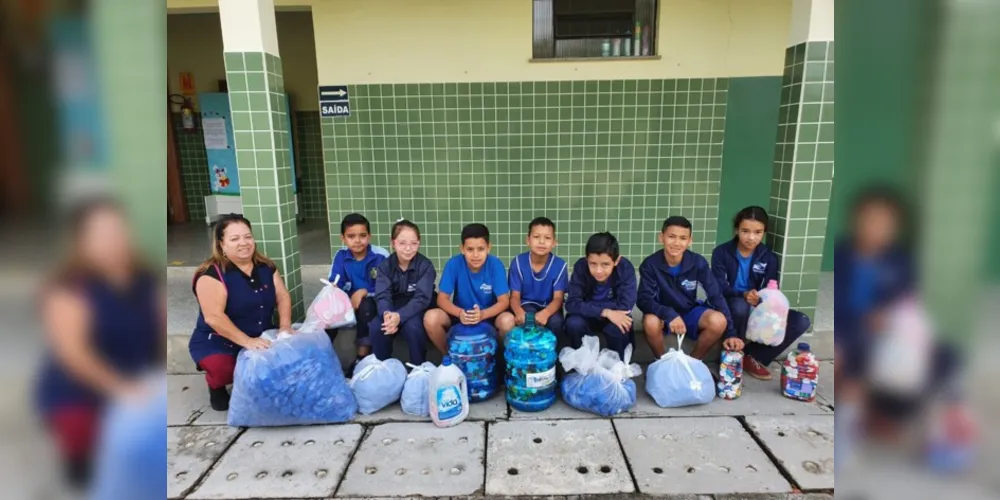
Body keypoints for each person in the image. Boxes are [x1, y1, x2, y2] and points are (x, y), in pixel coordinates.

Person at [34, 198, 164, 490]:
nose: (113, 241)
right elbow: (74, 355)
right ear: (81, 242)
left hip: (138, 380)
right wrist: (124, 391)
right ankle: (81, 463)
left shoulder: (144, 279)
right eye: (101, 234)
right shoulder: (68, 288)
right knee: (95, 471)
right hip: (82, 391)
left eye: (118, 231)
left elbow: (159, 331)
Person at [188, 213, 293, 411]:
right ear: (221, 244)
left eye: (247, 236)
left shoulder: (266, 267)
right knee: (225, 370)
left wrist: (285, 327)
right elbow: (214, 317)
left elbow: (283, 296)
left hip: (260, 334)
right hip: (220, 340)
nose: (243, 243)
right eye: (234, 238)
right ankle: (216, 385)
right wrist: (247, 342)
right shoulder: (210, 274)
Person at [710, 206, 812, 379]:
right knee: (740, 305)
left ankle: (754, 356)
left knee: (801, 321)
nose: (751, 237)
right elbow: (718, 287)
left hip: (756, 305)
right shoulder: (721, 253)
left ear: (764, 232)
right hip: (728, 304)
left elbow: (771, 288)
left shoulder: (768, 257)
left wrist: (764, 301)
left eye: (758, 232)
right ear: (736, 230)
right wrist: (743, 295)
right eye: (745, 231)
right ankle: (734, 353)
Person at [638, 216, 738, 359]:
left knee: (718, 320)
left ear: (690, 241)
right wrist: (669, 314)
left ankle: (693, 362)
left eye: (683, 238)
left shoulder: (697, 262)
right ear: (661, 237)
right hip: (662, 314)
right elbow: (643, 299)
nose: (677, 243)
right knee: (650, 321)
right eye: (671, 236)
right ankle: (661, 362)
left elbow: (715, 295)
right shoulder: (650, 264)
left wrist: (731, 332)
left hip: (689, 312)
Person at [424, 223, 510, 354]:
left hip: (490, 316)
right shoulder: (454, 264)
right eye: (470, 249)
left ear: (489, 248)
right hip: (460, 317)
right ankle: (452, 358)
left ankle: (496, 360)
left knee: (507, 321)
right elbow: (442, 299)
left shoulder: (495, 265)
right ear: (462, 249)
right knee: (431, 318)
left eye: (481, 249)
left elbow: (504, 301)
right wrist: (460, 313)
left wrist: (483, 315)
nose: (475, 255)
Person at [326, 213, 389, 372]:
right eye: (351, 236)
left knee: (366, 306)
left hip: (373, 301)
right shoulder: (341, 256)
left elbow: (386, 287)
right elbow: (335, 282)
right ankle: (324, 354)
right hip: (349, 302)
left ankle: (362, 356)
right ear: (343, 238)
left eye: (362, 235)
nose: (357, 240)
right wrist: (335, 294)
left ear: (369, 236)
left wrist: (364, 291)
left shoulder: (380, 256)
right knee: (327, 308)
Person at [369, 219, 436, 364]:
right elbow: (382, 294)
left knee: (413, 327)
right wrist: (387, 314)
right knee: (378, 327)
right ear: (393, 243)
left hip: (417, 307)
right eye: (402, 243)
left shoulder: (425, 266)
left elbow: (422, 298)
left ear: (419, 243)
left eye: (413, 243)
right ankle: (383, 368)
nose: (408, 248)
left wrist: (400, 316)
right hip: (394, 304)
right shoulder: (385, 266)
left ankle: (418, 368)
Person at [564, 232, 637, 360]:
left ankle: (618, 366)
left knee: (621, 323)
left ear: (616, 260)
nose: (598, 270)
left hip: (612, 317)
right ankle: (583, 367)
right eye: (593, 264)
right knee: (573, 323)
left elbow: (625, 305)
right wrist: (605, 311)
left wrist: (589, 307)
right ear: (587, 259)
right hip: (588, 317)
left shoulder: (625, 268)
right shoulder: (581, 267)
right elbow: (572, 303)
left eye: (605, 264)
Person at [496, 217, 568, 338]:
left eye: (547, 238)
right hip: (526, 305)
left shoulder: (560, 265)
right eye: (536, 237)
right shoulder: (518, 262)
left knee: (557, 323)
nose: (541, 242)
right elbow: (514, 296)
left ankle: (552, 355)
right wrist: (519, 312)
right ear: (528, 240)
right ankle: (524, 353)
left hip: (549, 307)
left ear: (554, 243)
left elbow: (558, 298)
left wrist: (545, 313)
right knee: (527, 321)